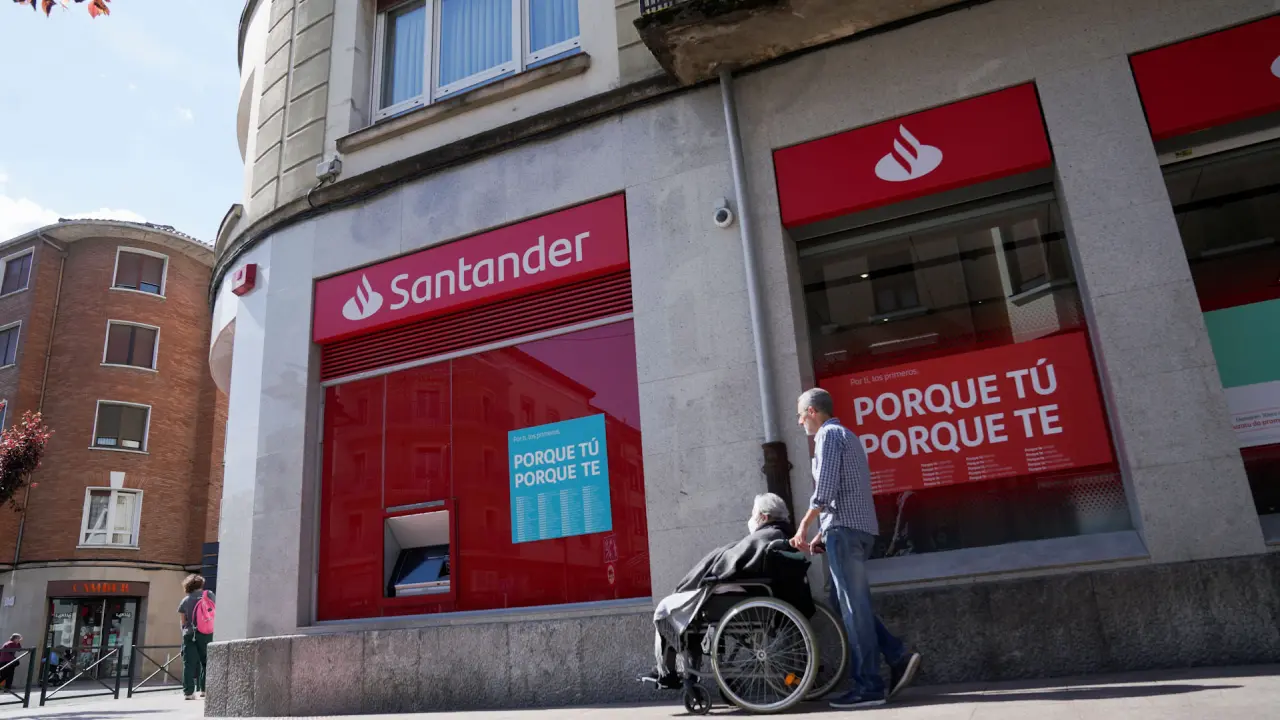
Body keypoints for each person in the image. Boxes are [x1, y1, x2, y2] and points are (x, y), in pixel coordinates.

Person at [790, 388, 920, 709]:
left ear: (812, 411)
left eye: (800, 415)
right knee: (844, 601)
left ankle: (869, 686)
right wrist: (824, 532)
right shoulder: (848, 436)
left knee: (852, 608)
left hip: (846, 533)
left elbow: (825, 488)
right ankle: (897, 654)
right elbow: (846, 490)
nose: (799, 422)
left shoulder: (827, 435)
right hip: (856, 530)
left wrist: (804, 526)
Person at [644, 493, 813, 688]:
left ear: (764, 517)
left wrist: (710, 576)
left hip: (737, 599)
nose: (751, 519)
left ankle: (667, 670)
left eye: (753, 514)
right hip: (754, 597)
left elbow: (729, 565)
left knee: (668, 608)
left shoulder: (765, 537)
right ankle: (671, 668)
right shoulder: (779, 535)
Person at [177, 574, 214, 700]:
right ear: (201, 584)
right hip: (206, 633)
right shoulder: (209, 595)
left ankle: (188, 692)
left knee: (189, 664)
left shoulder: (185, 601)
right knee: (207, 661)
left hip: (190, 634)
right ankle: (204, 690)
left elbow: (183, 622)